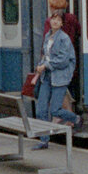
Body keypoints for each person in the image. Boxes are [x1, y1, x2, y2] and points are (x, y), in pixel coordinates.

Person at [32, 13, 80, 149]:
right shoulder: (48, 36)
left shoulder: (64, 39)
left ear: (61, 24)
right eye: (53, 19)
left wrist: (45, 65)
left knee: (55, 110)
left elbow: (63, 60)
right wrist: (40, 65)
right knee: (41, 110)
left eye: (58, 20)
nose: (55, 22)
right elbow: (46, 55)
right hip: (46, 77)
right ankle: (44, 140)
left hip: (60, 78)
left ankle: (75, 118)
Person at [43, 0, 81, 108]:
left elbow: (47, 42)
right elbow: (78, 33)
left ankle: (68, 118)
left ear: (52, 6)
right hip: (70, 62)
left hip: (56, 64)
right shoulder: (72, 18)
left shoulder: (50, 21)